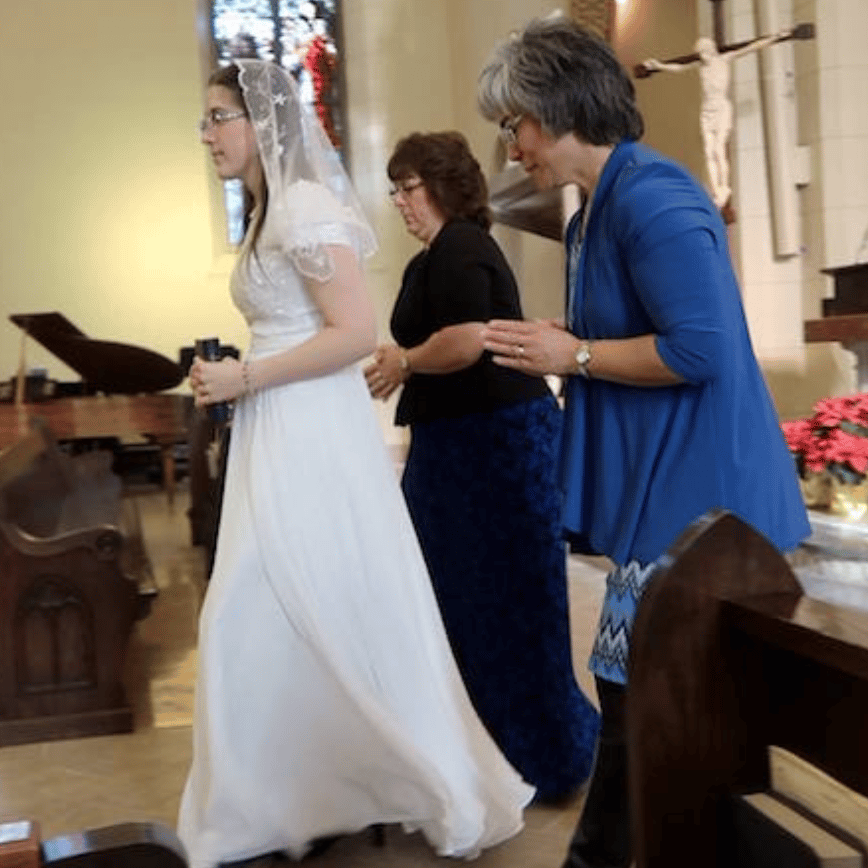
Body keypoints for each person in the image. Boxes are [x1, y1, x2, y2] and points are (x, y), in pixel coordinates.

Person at [477, 17, 811, 868]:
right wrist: (569, 336)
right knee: (627, 682)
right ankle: (618, 852)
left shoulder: (654, 197)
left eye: (513, 124)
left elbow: (698, 349)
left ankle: (607, 856)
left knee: (647, 690)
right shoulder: (597, 209)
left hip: (705, 499)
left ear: (555, 110)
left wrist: (575, 353)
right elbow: (637, 326)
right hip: (668, 497)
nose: (510, 146)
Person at [183, 60, 532, 868]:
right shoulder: (266, 204)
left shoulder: (302, 205)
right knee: (272, 599)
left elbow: (350, 331)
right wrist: (242, 376)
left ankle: (311, 790)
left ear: (259, 121)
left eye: (216, 117)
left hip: (307, 426)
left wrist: (247, 375)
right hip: (277, 421)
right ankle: (302, 793)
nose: (205, 135)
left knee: (264, 599)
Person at [363, 130, 597, 803]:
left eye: (409, 188)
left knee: (510, 609)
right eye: (396, 190)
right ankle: (489, 758)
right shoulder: (430, 259)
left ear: (443, 185)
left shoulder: (463, 243)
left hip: (494, 448)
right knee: (460, 607)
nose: (401, 202)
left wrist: (404, 361)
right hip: (457, 450)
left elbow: (469, 340)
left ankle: (547, 760)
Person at [636, 29, 801, 208]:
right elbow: (678, 68)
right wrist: (658, 65)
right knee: (708, 151)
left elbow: (752, 47)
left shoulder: (724, 59)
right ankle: (716, 191)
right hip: (707, 110)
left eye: (704, 52)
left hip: (721, 108)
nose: (702, 56)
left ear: (712, 50)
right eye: (700, 53)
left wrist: (776, 38)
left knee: (718, 150)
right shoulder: (701, 65)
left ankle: (724, 187)